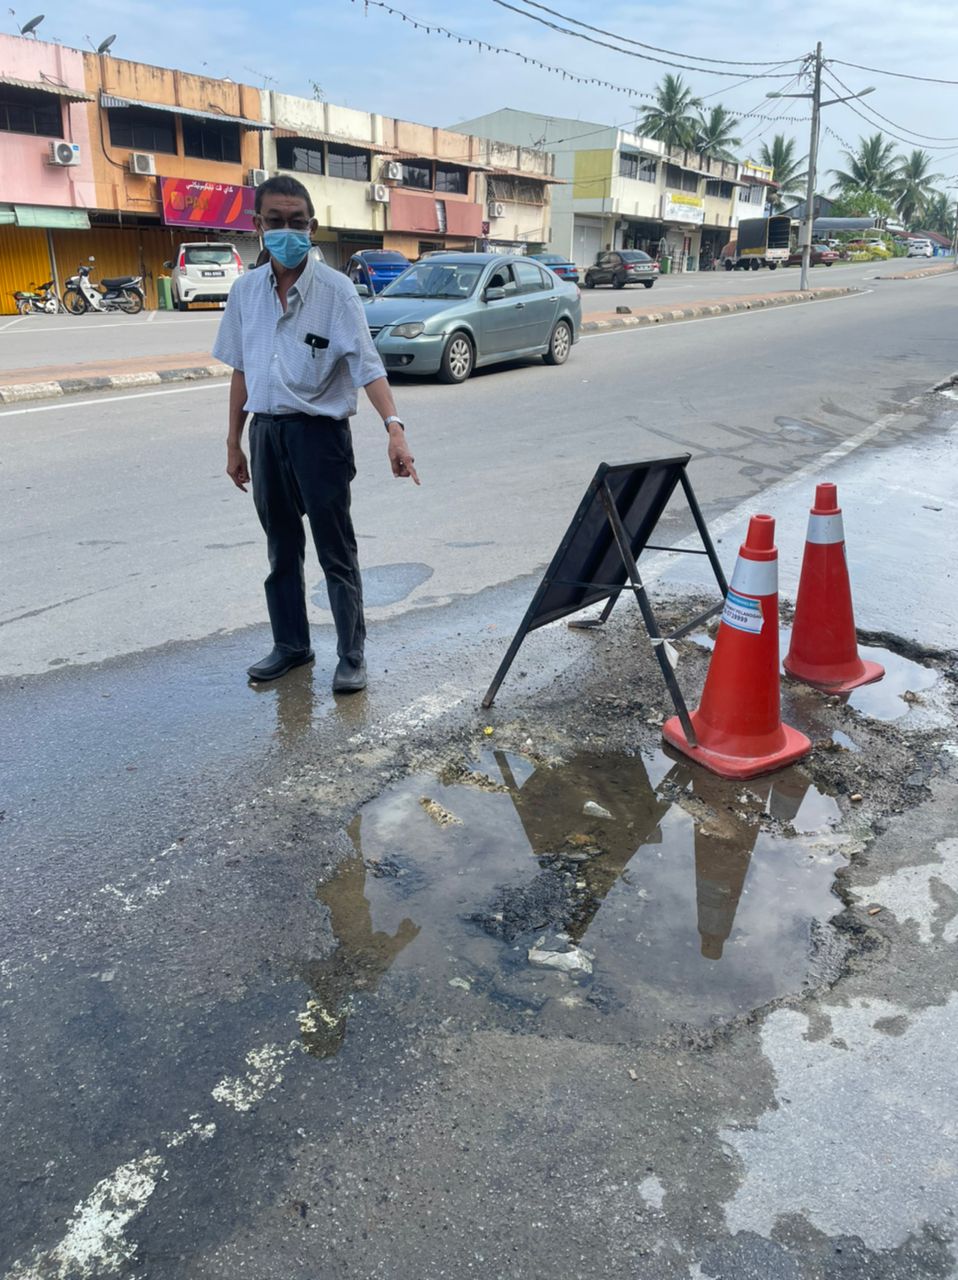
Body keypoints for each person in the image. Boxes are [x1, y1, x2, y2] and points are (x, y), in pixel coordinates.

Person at [212, 175, 419, 692]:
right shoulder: (243, 293)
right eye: (276, 222)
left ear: (313, 227)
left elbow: (368, 366)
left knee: (335, 550)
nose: (287, 232)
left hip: (320, 439)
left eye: (296, 223)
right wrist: (234, 441)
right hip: (266, 435)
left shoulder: (336, 291)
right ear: (258, 226)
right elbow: (240, 369)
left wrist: (395, 431)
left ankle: (351, 654)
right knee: (281, 550)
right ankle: (291, 646)